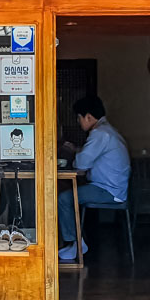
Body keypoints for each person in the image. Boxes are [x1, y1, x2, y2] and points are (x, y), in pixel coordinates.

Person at [58, 96, 130, 261]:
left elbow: (82, 164)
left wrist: (73, 153)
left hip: (108, 190)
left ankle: (75, 243)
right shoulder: (108, 131)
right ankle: (76, 241)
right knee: (67, 193)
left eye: (79, 117)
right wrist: (78, 151)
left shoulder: (100, 134)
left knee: (64, 198)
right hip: (113, 188)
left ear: (88, 117)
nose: (78, 122)